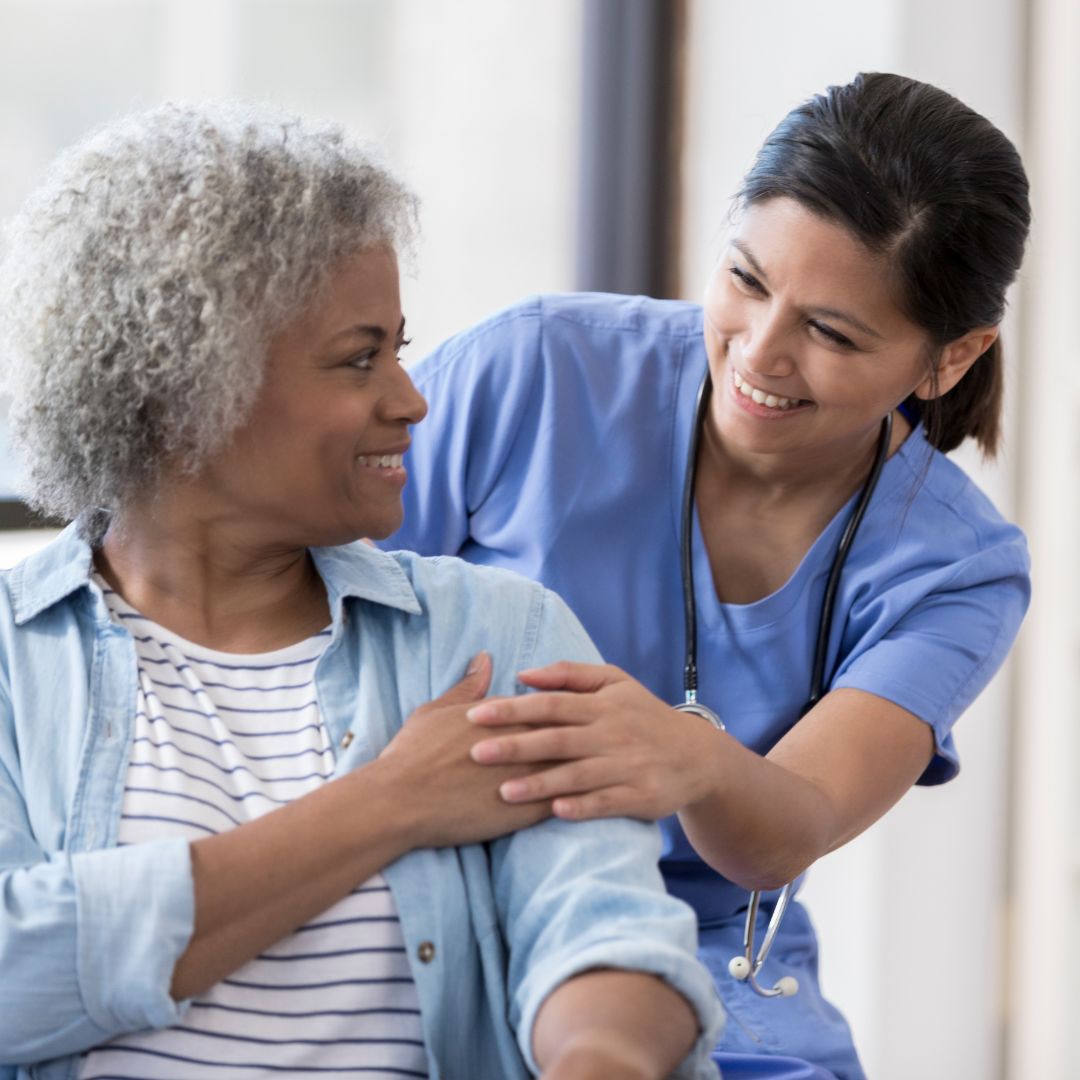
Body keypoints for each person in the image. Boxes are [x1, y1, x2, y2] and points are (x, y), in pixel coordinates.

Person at [0, 102, 725, 1080]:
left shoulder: (492, 634)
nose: (412, 398)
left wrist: (602, 1060)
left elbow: (601, 921)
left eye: (400, 346)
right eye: (359, 357)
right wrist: (388, 803)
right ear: (182, 396)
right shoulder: (12, 662)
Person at [380, 72, 1032, 1079]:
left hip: (707, 950)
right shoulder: (542, 368)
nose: (759, 354)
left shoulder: (958, 568)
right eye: (746, 281)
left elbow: (788, 831)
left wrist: (693, 759)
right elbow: (308, 600)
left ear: (950, 359)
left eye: (832, 332)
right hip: (428, 878)